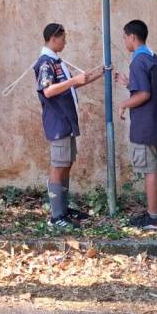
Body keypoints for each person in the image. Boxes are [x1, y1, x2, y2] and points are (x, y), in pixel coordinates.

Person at [34, 22, 104, 228]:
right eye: (63, 39)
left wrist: (98, 74)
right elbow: (48, 90)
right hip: (58, 123)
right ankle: (56, 216)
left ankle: (63, 209)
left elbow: (72, 84)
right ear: (53, 38)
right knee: (58, 166)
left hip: (67, 121)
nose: (65, 42)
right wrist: (74, 81)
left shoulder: (57, 61)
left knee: (66, 164)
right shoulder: (46, 63)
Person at [114, 19, 157, 230]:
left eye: (124, 37)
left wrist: (123, 104)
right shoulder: (155, 59)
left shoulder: (138, 61)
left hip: (146, 127)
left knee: (150, 171)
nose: (124, 41)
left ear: (132, 37)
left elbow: (144, 94)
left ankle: (153, 217)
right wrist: (129, 83)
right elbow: (149, 88)